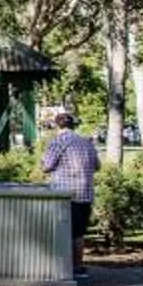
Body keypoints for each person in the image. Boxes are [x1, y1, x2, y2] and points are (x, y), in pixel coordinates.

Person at [40, 108, 100, 276]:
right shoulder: (86, 142)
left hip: (64, 195)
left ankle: (62, 268)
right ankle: (78, 267)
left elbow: (47, 166)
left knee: (63, 231)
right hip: (85, 193)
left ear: (57, 126)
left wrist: (42, 160)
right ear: (73, 125)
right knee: (79, 233)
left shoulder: (58, 142)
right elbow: (97, 166)